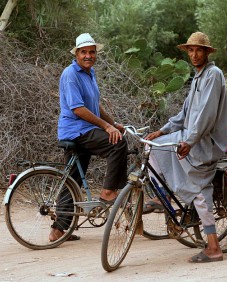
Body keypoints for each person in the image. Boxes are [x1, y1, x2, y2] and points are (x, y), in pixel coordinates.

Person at [145, 32, 227, 262]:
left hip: (204, 144)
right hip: (190, 138)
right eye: (190, 50)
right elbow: (185, 114)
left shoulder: (213, 75)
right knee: (154, 147)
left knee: (199, 190)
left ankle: (214, 247)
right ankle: (163, 198)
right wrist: (162, 131)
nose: (194, 55)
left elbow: (206, 116)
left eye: (198, 50)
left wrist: (189, 141)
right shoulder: (198, 77)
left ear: (206, 52)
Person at [49, 33, 128, 242]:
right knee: (118, 143)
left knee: (72, 179)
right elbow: (78, 109)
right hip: (77, 129)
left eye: (91, 52)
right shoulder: (70, 74)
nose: (88, 56)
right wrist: (107, 128)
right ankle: (108, 192)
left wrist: (113, 124)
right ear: (76, 53)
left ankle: (58, 231)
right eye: (84, 52)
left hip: (82, 129)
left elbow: (95, 105)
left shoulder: (89, 73)